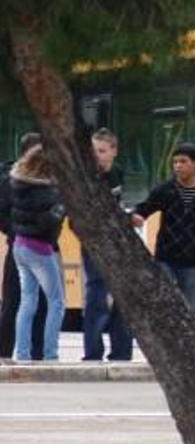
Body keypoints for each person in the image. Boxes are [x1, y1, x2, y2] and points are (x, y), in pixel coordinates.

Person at [132, 143, 195, 309]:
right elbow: (146, 207)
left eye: (183, 161)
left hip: (192, 261)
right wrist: (138, 215)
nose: (178, 166)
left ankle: (186, 336)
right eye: (175, 162)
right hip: (165, 257)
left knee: (187, 308)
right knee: (164, 302)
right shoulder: (166, 190)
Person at [9, 146, 67, 362]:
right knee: (57, 302)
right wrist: (62, 207)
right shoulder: (45, 192)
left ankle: (22, 354)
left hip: (20, 246)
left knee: (28, 301)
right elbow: (47, 222)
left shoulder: (18, 185)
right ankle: (50, 354)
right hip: (40, 249)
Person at [81, 129, 134, 362]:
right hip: (93, 241)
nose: (98, 156)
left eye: (102, 151)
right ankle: (93, 352)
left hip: (116, 241)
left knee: (123, 295)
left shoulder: (117, 173)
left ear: (114, 151)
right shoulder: (87, 176)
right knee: (96, 293)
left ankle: (121, 350)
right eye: (94, 151)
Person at [0, 133, 46, 359]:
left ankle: (38, 354)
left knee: (44, 304)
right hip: (18, 246)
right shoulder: (10, 180)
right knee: (13, 301)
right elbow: (2, 214)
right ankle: (4, 353)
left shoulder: (46, 179)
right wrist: (15, 231)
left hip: (45, 248)